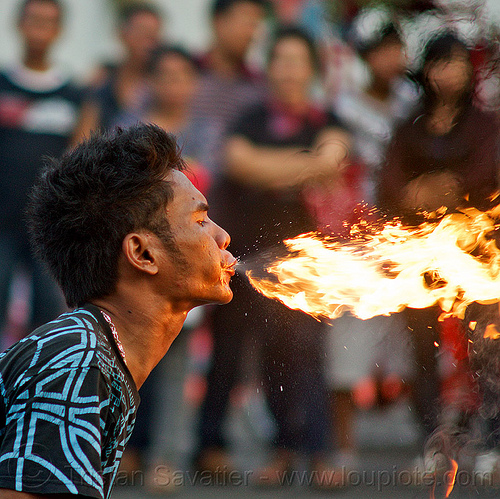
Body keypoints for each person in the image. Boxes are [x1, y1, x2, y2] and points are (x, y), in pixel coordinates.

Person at [0, 123, 236, 498]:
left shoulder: (96, 354)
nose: (222, 236)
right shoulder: (78, 362)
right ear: (143, 253)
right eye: (200, 220)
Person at [196, 26, 351, 485]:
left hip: (304, 260)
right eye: (279, 59)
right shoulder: (248, 118)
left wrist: (274, 168)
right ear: (269, 67)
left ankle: (319, 454)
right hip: (241, 253)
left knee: (304, 351)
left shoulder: (327, 118)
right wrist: (304, 167)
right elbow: (242, 162)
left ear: (312, 69)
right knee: (244, 353)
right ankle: (271, 451)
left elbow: (333, 159)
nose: (287, 70)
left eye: (296, 60)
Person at [379, 31, 500, 475]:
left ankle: (493, 446)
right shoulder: (408, 125)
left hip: (477, 253)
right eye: (440, 62)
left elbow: (481, 174)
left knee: (487, 350)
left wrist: (439, 188)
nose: (449, 72)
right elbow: (389, 183)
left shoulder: (486, 124)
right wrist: (421, 193)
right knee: (421, 352)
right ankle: (432, 445)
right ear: (426, 69)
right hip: (421, 256)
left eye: (458, 63)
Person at [325, 7, 417, 473]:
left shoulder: (413, 100)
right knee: (349, 340)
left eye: (395, 47)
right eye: (379, 49)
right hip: (354, 237)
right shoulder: (343, 105)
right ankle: (343, 450)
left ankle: (431, 447)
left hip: (410, 235)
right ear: (364, 56)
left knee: (413, 343)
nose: (390, 57)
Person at [0, 0, 85, 343]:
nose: (40, 29)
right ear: (19, 24)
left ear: (59, 30)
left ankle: (35, 391)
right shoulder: (2, 83)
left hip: (48, 227)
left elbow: (79, 154)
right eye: (34, 20)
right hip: (1, 222)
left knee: (48, 319)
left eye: (49, 22)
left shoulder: (76, 93)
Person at [189, 0, 268, 174]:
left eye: (255, 25)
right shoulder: (186, 73)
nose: (251, 33)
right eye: (245, 22)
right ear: (218, 22)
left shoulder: (260, 88)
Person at [73, 2, 163, 140]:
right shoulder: (102, 82)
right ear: (121, 33)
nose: (148, 41)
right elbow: (81, 140)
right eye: (141, 31)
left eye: (153, 34)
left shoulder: (163, 87)